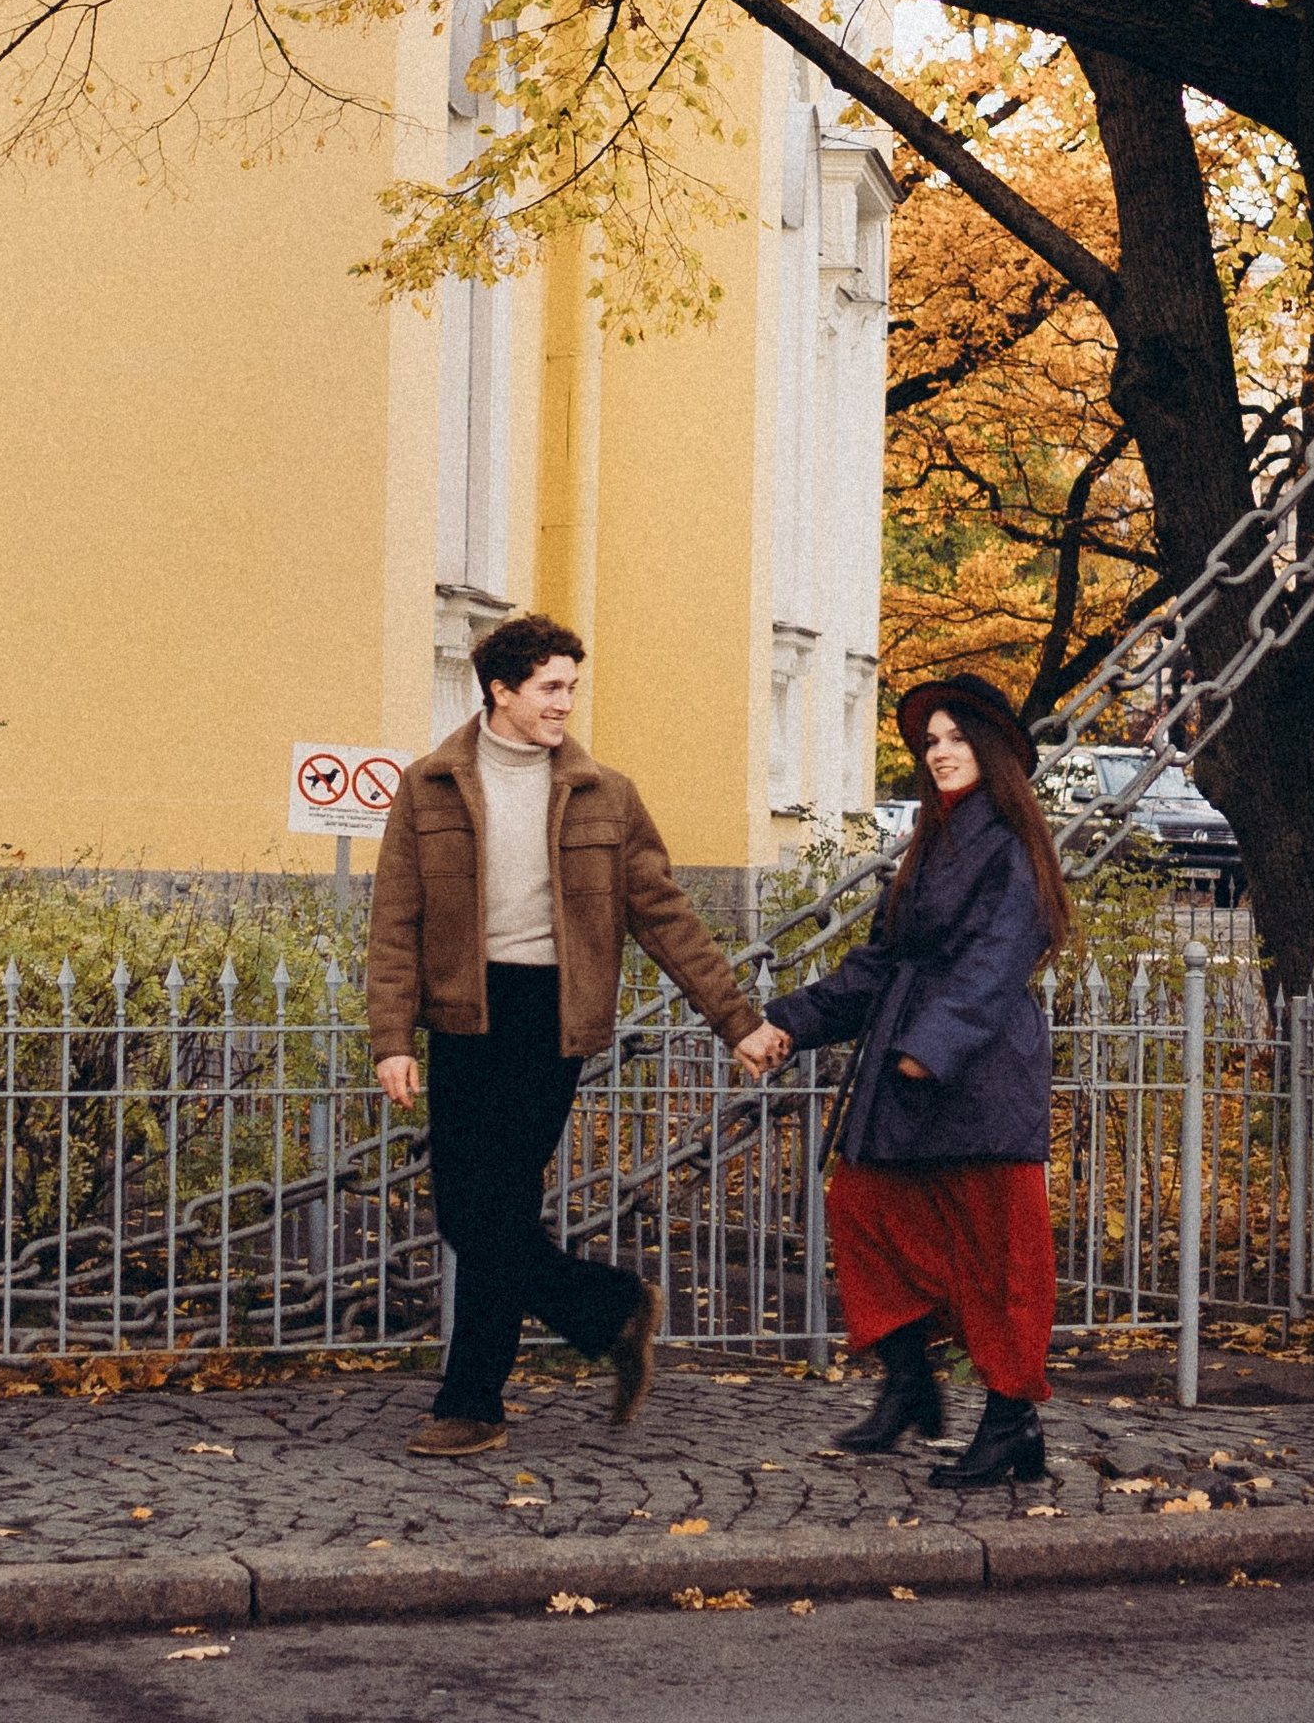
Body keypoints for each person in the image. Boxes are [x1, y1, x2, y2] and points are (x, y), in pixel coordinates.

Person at [370, 612, 785, 1453]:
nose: (565, 703)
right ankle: (609, 1309)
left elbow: (665, 916)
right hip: (462, 1015)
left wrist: (735, 1022)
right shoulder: (429, 786)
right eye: (550, 687)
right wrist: (392, 1039)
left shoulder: (607, 794)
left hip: (550, 1019)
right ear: (501, 691)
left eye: (570, 687)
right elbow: (394, 923)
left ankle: (471, 1407)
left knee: (501, 1207)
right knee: (466, 1214)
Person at [762, 674, 1071, 1490]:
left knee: (1001, 1250)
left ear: (993, 750)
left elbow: (996, 961)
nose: (938, 752)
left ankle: (1012, 1423)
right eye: (930, 741)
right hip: (911, 1068)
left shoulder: (1011, 841)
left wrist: (929, 1047)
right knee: (861, 1209)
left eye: (955, 739)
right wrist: (787, 1022)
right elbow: (880, 965)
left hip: (976, 1073)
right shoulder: (932, 842)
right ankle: (910, 1382)